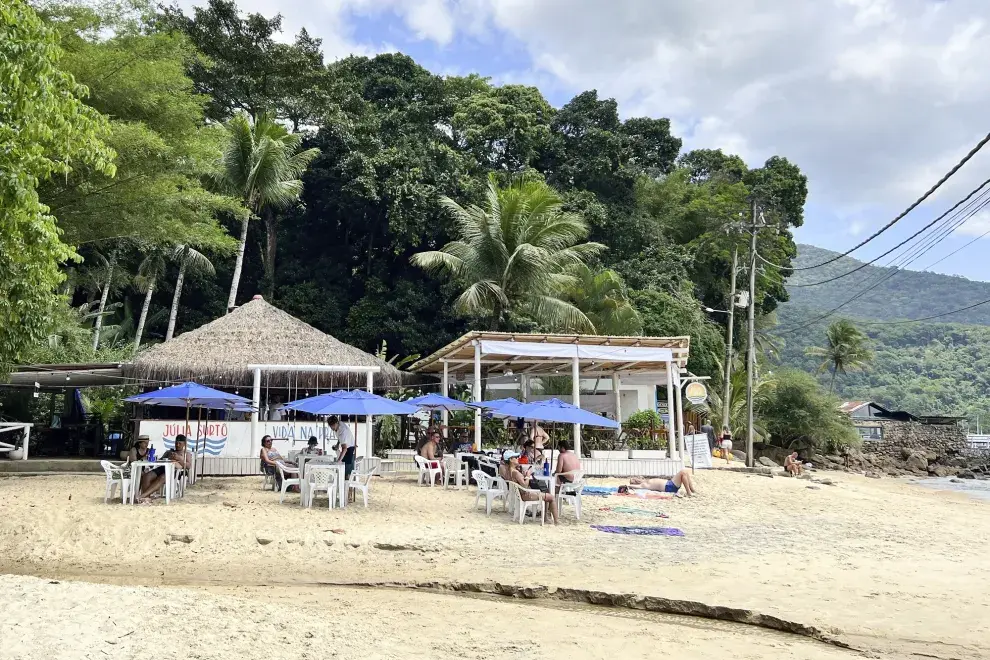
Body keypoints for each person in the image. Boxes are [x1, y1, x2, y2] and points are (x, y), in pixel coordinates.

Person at [504, 451, 558, 524]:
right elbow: (525, 485)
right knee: (551, 497)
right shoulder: (515, 472)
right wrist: (528, 476)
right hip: (525, 495)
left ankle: (545, 517)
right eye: (515, 458)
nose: (517, 459)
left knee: (546, 493)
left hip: (521, 494)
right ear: (510, 460)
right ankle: (556, 521)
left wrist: (524, 475)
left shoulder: (509, 471)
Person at [139, 435, 191, 500]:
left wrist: (179, 458)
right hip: (163, 468)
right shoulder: (169, 452)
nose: (177, 445)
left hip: (174, 471)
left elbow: (188, 466)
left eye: (180, 443)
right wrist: (168, 458)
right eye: (176, 443)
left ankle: (142, 496)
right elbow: (160, 460)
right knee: (147, 476)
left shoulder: (186, 454)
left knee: (163, 477)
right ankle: (146, 498)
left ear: (184, 444)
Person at [629, 469, 697, 497]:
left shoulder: (646, 481)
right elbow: (637, 487)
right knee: (683, 472)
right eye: (634, 480)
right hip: (669, 487)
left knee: (685, 472)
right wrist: (629, 486)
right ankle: (689, 492)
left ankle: (692, 490)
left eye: (635, 478)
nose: (637, 479)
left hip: (669, 484)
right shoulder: (643, 484)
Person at [330, 416, 355, 482]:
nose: (332, 428)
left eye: (333, 425)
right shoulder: (339, 424)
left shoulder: (343, 431)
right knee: (343, 469)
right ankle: (343, 487)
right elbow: (340, 438)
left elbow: (344, 449)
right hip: (347, 446)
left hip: (349, 449)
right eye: (330, 426)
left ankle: (347, 489)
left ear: (336, 423)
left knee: (346, 471)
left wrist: (338, 461)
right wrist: (337, 444)